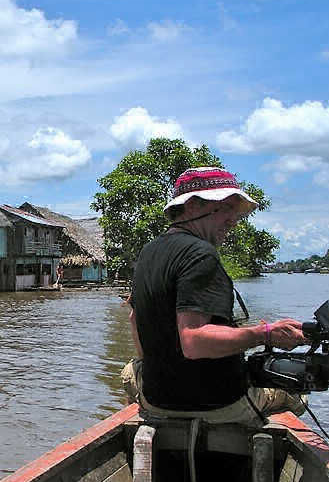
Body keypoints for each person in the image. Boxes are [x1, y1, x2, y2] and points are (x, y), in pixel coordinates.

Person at [121, 166, 306, 426]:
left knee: (131, 371)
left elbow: (134, 319)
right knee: (293, 391)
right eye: (227, 208)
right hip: (216, 404)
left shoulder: (149, 252)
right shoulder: (200, 254)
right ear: (194, 205)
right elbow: (194, 341)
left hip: (155, 398)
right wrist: (265, 333)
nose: (233, 220)